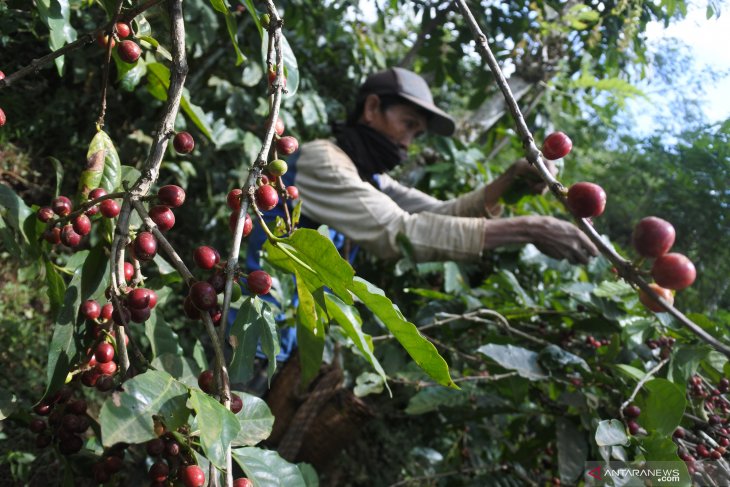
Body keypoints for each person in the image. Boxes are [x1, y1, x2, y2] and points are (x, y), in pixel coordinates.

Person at [248, 67, 598, 272]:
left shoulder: (371, 178)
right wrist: (530, 229)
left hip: (286, 330)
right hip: (249, 321)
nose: (408, 143)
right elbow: (399, 231)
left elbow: (442, 212)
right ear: (372, 108)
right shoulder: (323, 159)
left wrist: (510, 179)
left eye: (417, 133)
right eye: (408, 124)